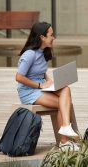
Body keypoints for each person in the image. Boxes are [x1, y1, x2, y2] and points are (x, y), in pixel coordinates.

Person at [15, 22, 79, 151]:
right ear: (42, 37)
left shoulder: (43, 52)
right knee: (63, 104)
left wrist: (51, 81)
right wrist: (40, 85)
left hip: (41, 88)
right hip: (29, 92)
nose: (54, 37)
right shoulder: (29, 54)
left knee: (65, 89)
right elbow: (19, 77)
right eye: (51, 35)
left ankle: (65, 132)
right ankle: (64, 141)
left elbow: (41, 72)